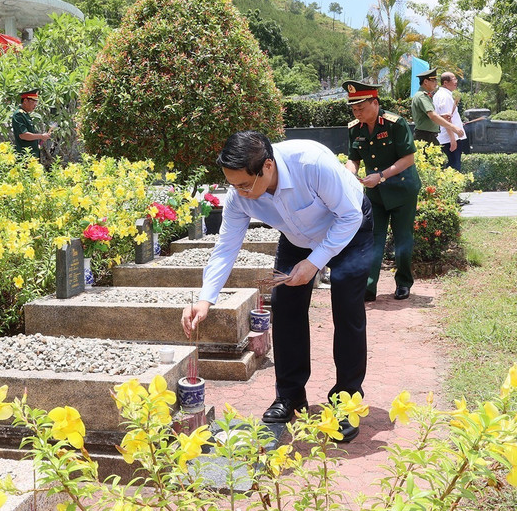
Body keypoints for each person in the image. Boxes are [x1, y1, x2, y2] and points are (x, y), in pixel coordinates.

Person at [181, 130, 373, 440]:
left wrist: (315, 263)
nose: (239, 193)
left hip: (348, 229)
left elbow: (349, 216)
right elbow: (226, 246)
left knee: (347, 312)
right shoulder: (238, 196)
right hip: (297, 239)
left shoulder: (311, 163)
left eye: (244, 184)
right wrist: (205, 300)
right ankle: (290, 395)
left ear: (267, 166)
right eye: (232, 185)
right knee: (285, 310)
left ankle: (346, 402)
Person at [345, 80, 421, 302]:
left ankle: (404, 283)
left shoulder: (395, 124)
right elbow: (354, 159)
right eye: (354, 109)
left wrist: (381, 176)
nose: (357, 113)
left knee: (402, 238)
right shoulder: (354, 129)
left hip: (402, 190)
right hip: (375, 194)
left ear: (375, 103)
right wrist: (349, 174)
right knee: (372, 239)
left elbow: (408, 158)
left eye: (361, 108)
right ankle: (369, 287)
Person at [410, 68, 461, 149]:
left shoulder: (425, 96)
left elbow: (426, 117)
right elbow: (432, 116)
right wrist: (454, 128)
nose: (436, 83)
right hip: (425, 137)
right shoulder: (422, 96)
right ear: (426, 82)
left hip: (429, 136)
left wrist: (441, 116)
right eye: (433, 81)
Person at [434, 72, 466, 170]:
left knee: (453, 165)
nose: (456, 82)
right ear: (445, 83)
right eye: (453, 79)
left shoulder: (441, 94)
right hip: (449, 138)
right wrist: (452, 138)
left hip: (449, 137)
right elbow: (446, 119)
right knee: (454, 167)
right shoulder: (445, 96)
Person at [10, 89, 50, 158]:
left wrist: (41, 140)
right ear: (25, 101)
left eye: (36, 102)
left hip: (32, 155)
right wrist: (41, 136)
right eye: (33, 102)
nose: (35, 105)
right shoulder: (19, 115)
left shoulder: (25, 114)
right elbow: (23, 135)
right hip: (24, 156)